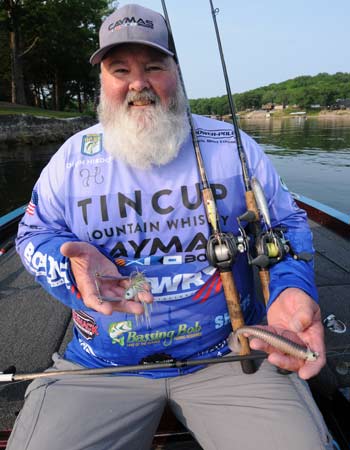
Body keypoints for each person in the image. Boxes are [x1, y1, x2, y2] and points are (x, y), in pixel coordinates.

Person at [8, 3, 332, 450]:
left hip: (232, 355)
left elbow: (287, 222)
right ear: (102, 81)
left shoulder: (232, 147)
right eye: (120, 69)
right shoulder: (70, 158)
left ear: (176, 73)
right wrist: (70, 270)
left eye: (154, 66)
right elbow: (33, 235)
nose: (138, 83)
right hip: (99, 365)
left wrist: (292, 287)